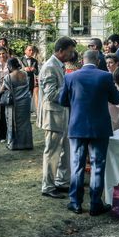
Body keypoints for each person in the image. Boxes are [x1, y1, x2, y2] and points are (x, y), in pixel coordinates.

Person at [59, 50, 119, 215]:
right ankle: (95, 204)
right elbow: (117, 99)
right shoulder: (105, 76)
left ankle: (76, 203)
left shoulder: (70, 77)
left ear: (82, 60)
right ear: (98, 61)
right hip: (99, 127)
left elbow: (62, 100)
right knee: (97, 166)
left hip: (77, 126)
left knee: (77, 166)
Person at [38, 36, 77, 199]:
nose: (72, 54)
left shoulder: (58, 65)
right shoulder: (50, 67)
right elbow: (51, 94)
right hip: (52, 116)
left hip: (61, 114)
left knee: (63, 151)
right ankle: (48, 186)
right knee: (52, 152)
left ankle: (61, 181)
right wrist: (70, 87)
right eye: (70, 51)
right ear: (60, 51)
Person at [1, 57, 34, 150]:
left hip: (15, 103)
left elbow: (1, 89)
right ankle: (27, 144)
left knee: (13, 123)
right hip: (26, 101)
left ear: (10, 66)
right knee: (26, 123)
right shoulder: (25, 73)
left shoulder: (8, 77)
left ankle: (14, 144)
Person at [20, 45, 39, 109]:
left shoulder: (35, 61)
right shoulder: (20, 59)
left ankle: (28, 112)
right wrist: (23, 69)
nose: (31, 52)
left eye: (32, 50)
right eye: (29, 50)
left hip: (31, 82)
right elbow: (16, 71)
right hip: (22, 82)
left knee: (29, 99)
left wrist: (35, 70)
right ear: (25, 51)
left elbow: (37, 73)